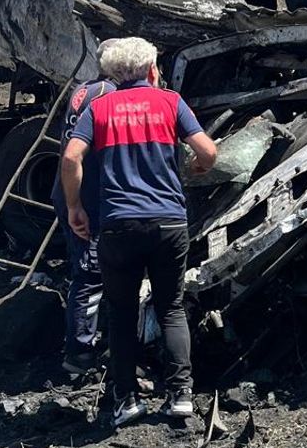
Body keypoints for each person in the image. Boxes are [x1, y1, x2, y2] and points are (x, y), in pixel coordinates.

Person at [60, 37, 218, 427]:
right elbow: (209, 152)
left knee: (121, 312)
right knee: (170, 307)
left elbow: (71, 157)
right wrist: (197, 168)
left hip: (118, 225)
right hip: (168, 223)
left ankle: (126, 400)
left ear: (114, 74)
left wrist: (75, 206)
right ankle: (181, 395)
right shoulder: (170, 102)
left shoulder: (98, 108)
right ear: (151, 69)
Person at [50, 74, 116, 376]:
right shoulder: (108, 94)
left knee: (85, 267)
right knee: (90, 274)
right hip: (85, 198)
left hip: (69, 193)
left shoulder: (85, 87)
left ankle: (87, 338)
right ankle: (79, 353)